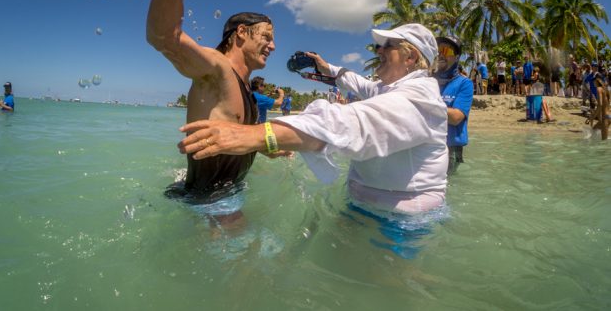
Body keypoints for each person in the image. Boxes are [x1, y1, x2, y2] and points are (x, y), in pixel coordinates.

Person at [177, 23, 449, 217]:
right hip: (361, 205)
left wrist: (258, 136)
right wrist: (325, 67)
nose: (377, 50)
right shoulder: (386, 88)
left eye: (386, 46)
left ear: (411, 56)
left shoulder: (421, 97)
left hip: (405, 220)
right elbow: (356, 82)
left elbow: (355, 123)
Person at [134, 0, 284, 222]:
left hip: (222, 196)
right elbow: (163, 37)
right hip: (211, 205)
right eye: (267, 36)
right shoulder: (217, 68)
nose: (273, 45)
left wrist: (262, 147)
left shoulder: (247, 91)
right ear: (241, 33)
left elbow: (232, 137)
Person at [434, 36, 474, 174]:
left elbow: (456, 117)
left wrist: (425, 103)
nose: (441, 54)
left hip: (451, 149)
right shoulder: (427, 81)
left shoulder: (465, 83)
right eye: (438, 50)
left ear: (457, 58)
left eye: (446, 50)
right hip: (429, 145)